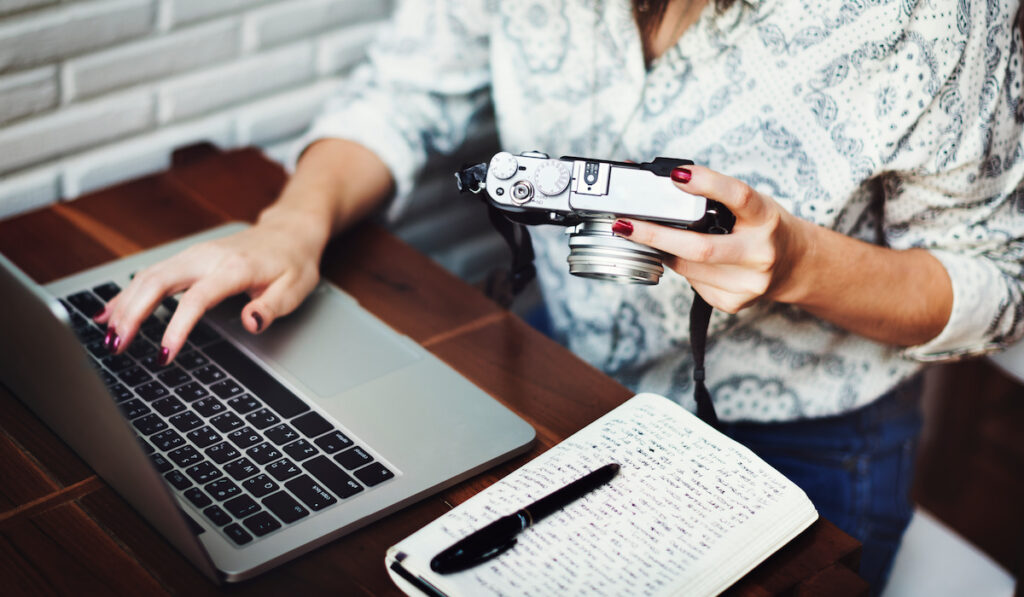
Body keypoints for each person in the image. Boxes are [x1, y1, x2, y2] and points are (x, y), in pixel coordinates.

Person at [95, 0, 1024, 590]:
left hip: (805, 442)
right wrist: (291, 225)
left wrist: (798, 265)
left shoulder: (937, 16)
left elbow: (998, 280)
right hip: (560, 370)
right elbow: (404, 89)